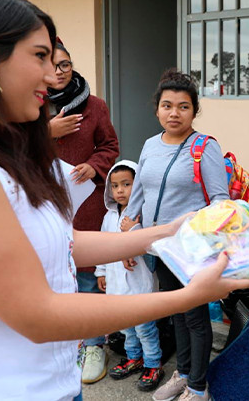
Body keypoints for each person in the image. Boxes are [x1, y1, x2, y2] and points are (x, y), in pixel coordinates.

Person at [0, 0, 249, 401]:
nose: (53, 76)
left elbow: (64, 243)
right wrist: (186, 297)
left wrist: (166, 232)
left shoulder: (0, 149)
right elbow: (38, 316)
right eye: (40, 57)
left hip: (54, 386)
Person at [123, 68, 229, 401]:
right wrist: (128, 237)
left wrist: (194, 227)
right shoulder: (149, 145)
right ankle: (183, 374)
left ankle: (198, 387)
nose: (174, 113)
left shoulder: (204, 147)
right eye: (167, 106)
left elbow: (221, 200)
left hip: (191, 249)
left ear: (194, 111)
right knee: (177, 314)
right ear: (157, 109)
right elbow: (138, 195)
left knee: (194, 317)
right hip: (158, 248)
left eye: (183, 106)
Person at [47, 38, 120, 384]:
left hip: (86, 204)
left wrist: (94, 166)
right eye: (52, 65)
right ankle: (64, 341)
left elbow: (110, 145)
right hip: (46, 202)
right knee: (54, 273)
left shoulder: (95, 105)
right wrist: (48, 131)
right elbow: (8, 145)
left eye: (65, 64)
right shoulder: (28, 105)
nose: (60, 71)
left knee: (88, 277)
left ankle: (93, 345)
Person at [95, 160, 165, 392]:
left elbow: (151, 244)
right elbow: (102, 246)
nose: (120, 191)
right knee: (126, 327)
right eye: (115, 186)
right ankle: (134, 357)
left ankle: (153, 364)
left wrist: (134, 233)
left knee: (144, 327)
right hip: (117, 284)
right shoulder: (108, 217)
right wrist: (101, 271)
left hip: (139, 282)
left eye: (126, 184)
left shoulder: (143, 214)